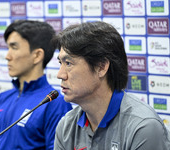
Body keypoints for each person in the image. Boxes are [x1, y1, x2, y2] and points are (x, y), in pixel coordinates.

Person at [54, 21, 170, 150]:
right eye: (60, 63)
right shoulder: (66, 126)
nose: (60, 74)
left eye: (68, 63)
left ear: (101, 67)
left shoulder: (143, 127)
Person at [0, 20, 72, 150]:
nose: (7, 56)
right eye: (8, 48)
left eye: (14, 47)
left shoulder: (55, 103)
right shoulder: (3, 97)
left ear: (37, 55)